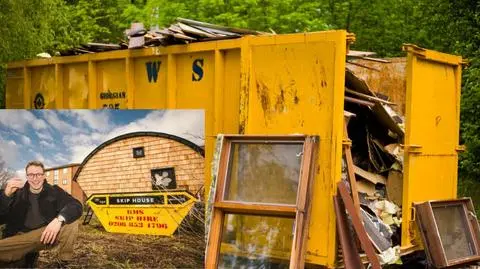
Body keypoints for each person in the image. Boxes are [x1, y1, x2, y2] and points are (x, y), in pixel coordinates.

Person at [0, 161, 83, 267]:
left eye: (38, 174)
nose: (35, 178)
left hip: (43, 236)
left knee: (70, 220)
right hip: (19, 237)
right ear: (27, 176)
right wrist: (6, 196)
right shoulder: (17, 192)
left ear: (43, 175)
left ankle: (63, 262)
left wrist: (59, 220)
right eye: (31, 175)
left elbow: (76, 205)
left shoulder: (54, 191)